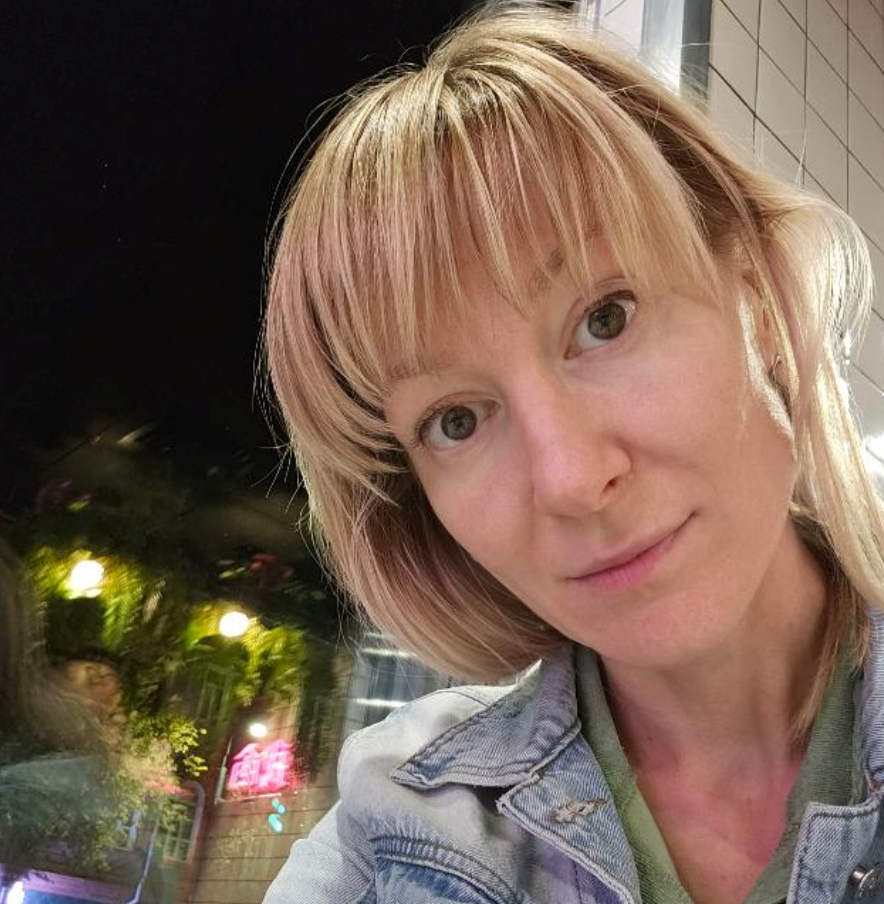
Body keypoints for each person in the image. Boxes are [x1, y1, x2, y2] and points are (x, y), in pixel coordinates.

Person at [261, 4, 884, 902]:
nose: (571, 480)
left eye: (606, 319)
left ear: (753, 289)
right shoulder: (399, 822)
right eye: (456, 421)